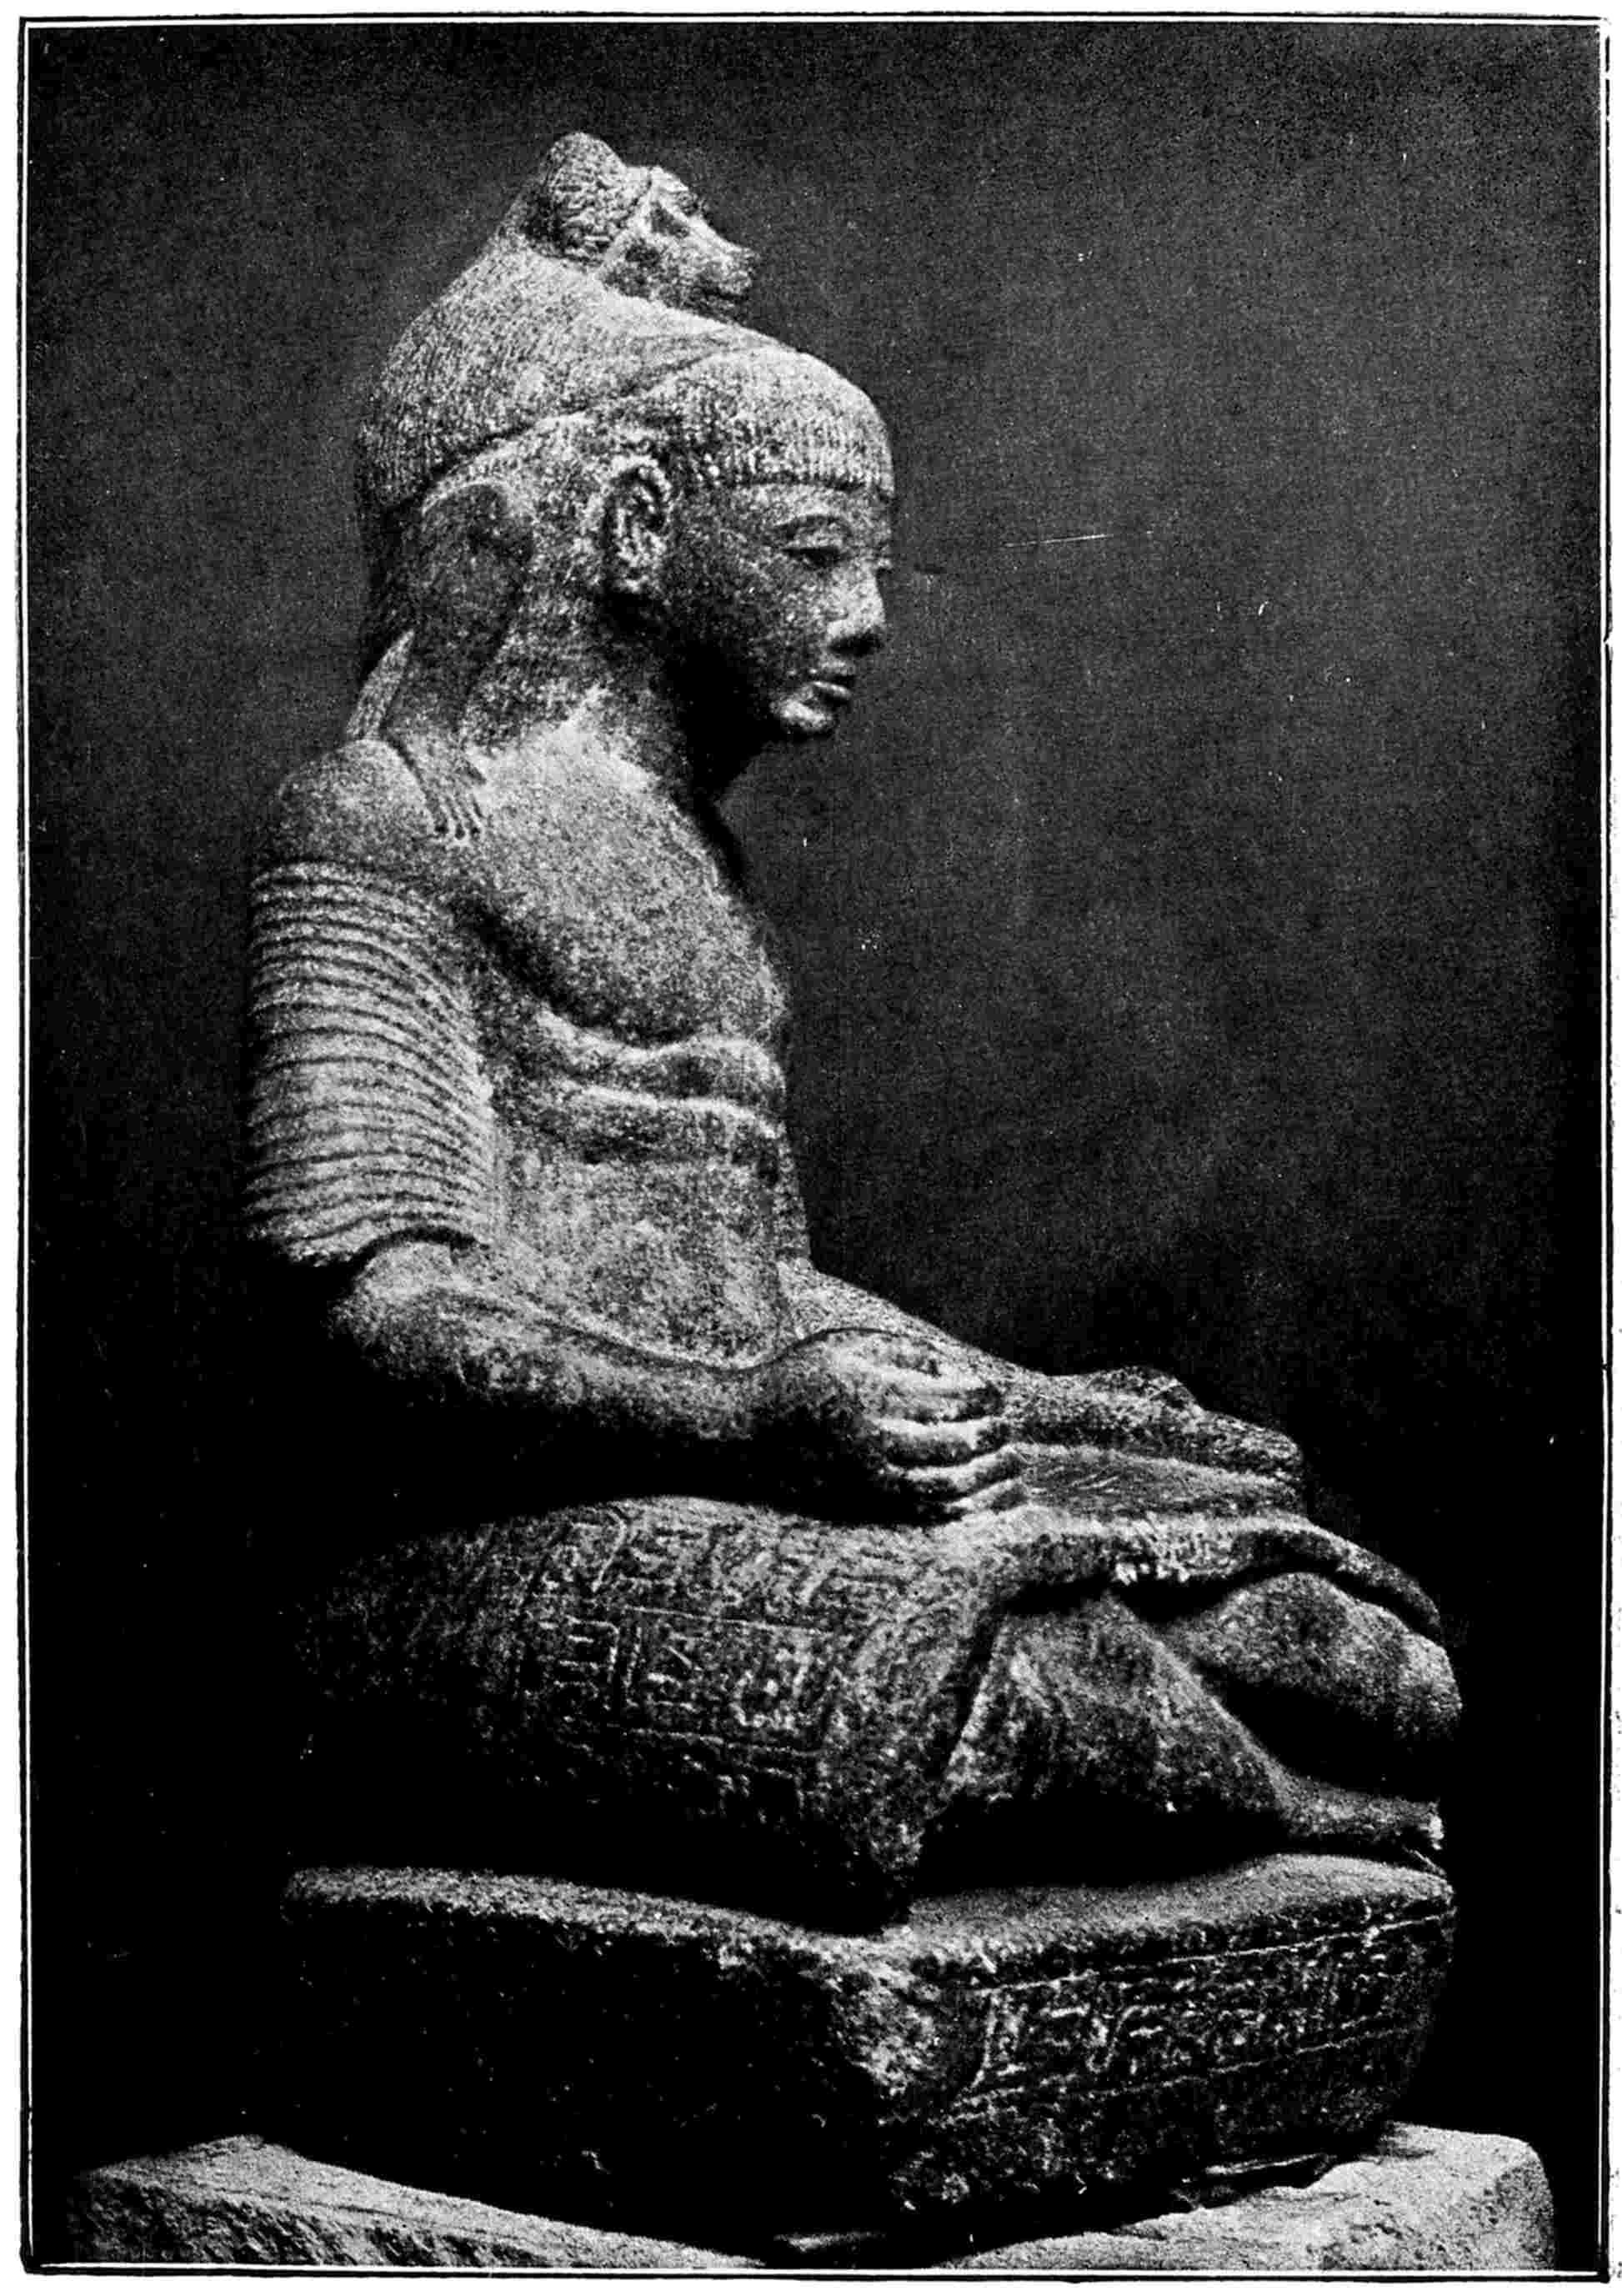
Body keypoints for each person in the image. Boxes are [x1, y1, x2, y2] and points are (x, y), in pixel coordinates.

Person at [244, 141, 1456, 1921]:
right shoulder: (385, 817)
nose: (867, 620)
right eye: (813, 556)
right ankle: (1272, 1804)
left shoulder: (694, 872)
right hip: (469, 1546)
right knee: (983, 1687)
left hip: (744, 1469)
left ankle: (1246, 1770)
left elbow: (753, 1281)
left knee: (1350, 1647)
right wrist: (740, 1419)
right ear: (640, 530)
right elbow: (373, 1314)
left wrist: (1023, 1399)